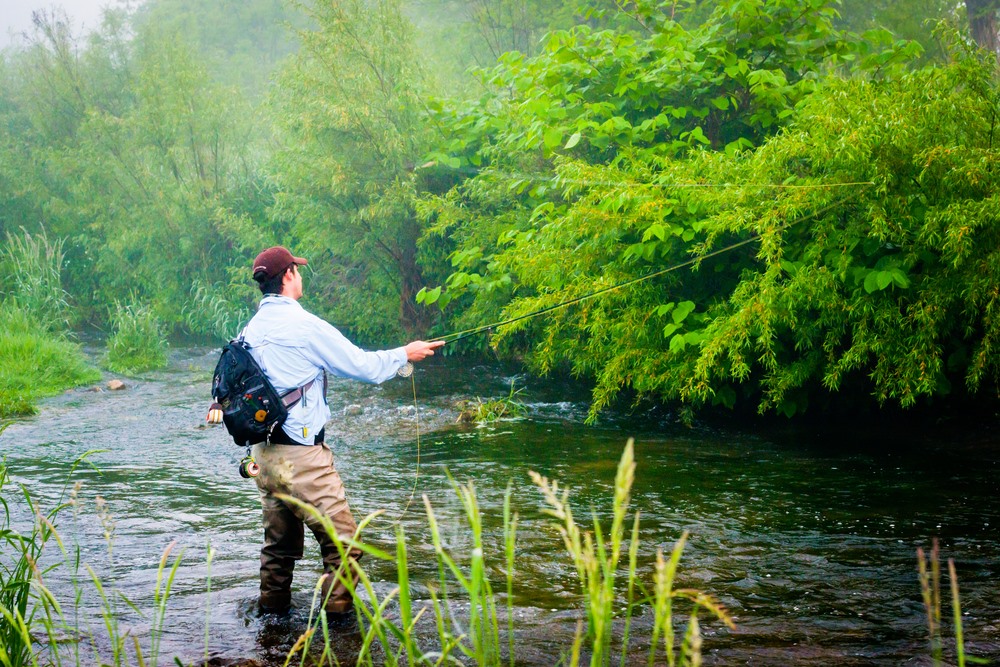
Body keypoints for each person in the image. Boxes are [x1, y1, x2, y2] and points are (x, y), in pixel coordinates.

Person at [210, 245, 443, 617]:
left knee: (278, 549)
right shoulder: (306, 326)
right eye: (297, 271)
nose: (300, 276)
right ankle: (338, 630)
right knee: (343, 542)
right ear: (288, 276)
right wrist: (405, 353)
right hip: (302, 459)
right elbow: (362, 366)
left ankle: (270, 623)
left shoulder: (248, 331)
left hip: (263, 458)